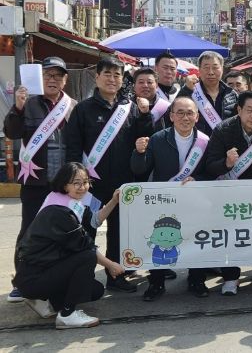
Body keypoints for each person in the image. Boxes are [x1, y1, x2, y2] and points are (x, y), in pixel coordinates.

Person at [65, 57, 154, 293]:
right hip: (90, 186)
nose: (112, 79)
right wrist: (76, 181)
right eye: (107, 74)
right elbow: (72, 148)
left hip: (121, 185)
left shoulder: (130, 108)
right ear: (97, 77)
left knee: (118, 232)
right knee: (86, 231)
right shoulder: (83, 109)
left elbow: (144, 139)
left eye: (117, 75)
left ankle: (115, 276)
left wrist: (145, 115)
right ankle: (82, 278)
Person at [13, 162, 123, 329]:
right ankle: (67, 315)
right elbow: (85, 246)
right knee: (87, 256)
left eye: (85, 182)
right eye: (76, 183)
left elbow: (95, 221)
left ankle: (44, 302)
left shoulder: (69, 200)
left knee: (95, 290)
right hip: (34, 276)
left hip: (43, 270)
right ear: (65, 184)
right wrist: (111, 265)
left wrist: (114, 201)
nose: (82, 187)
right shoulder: (59, 211)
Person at [3, 57, 77, 303]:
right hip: (35, 180)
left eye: (58, 75)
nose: (53, 80)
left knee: (64, 230)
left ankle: (57, 278)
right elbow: (12, 132)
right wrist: (17, 107)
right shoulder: (28, 103)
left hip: (64, 182)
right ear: (39, 78)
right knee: (29, 231)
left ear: (65, 80)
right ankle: (21, 282)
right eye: (48, 75)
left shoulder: (72, 105)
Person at [203, 91, 252, 296]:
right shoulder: (223, 130)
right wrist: (227, 163)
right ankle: (231, 277)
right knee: (231, 235)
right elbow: (210, 165)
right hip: (229, 191)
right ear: (239, 110)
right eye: (249, 110)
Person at [131, 96, 210, 300]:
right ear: (172, 116)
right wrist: (139, 153)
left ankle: (197, 279)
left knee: (196, 238)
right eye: (180, 113)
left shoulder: (204, 141)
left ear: (197, 116)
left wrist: (198, 179)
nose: (185, 117)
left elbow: (211, 171)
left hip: (194, 200)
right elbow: (140, 170)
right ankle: (156, 282)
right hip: (163, 201)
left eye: (190, 113)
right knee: (160, 239)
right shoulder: (158, 139)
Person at [179, 51, 237, 135]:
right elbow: (172, 114)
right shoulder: (190, 91)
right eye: (206, 67)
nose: (211, 72)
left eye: (215, 67)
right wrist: (186, 90)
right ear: (199, 70)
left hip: (226, 142)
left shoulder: (232, 94)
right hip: (197, 142)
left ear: (222, 69)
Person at [132, 68, 171, 132]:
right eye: (141, 82)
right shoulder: (126, 106)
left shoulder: (167, 108)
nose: (145, 85)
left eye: (149, 82)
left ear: (156, 85)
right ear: (134, 85)